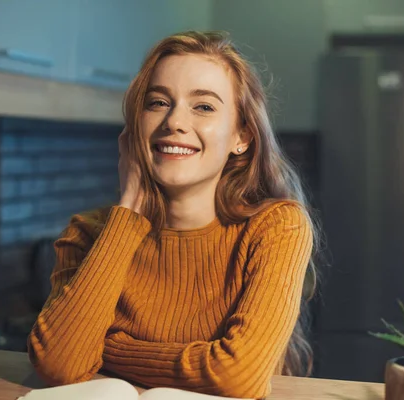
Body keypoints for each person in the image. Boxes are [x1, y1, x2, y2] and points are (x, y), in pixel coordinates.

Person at [27, 31, 320, 399]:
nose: (174, 122)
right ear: (135, 128)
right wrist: (129, 206)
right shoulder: (87, 233)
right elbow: (58, 364)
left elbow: (238, 376)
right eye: (158, 102)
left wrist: (108, 348)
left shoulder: (276, 228)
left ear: (241, 137)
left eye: (204, 107)